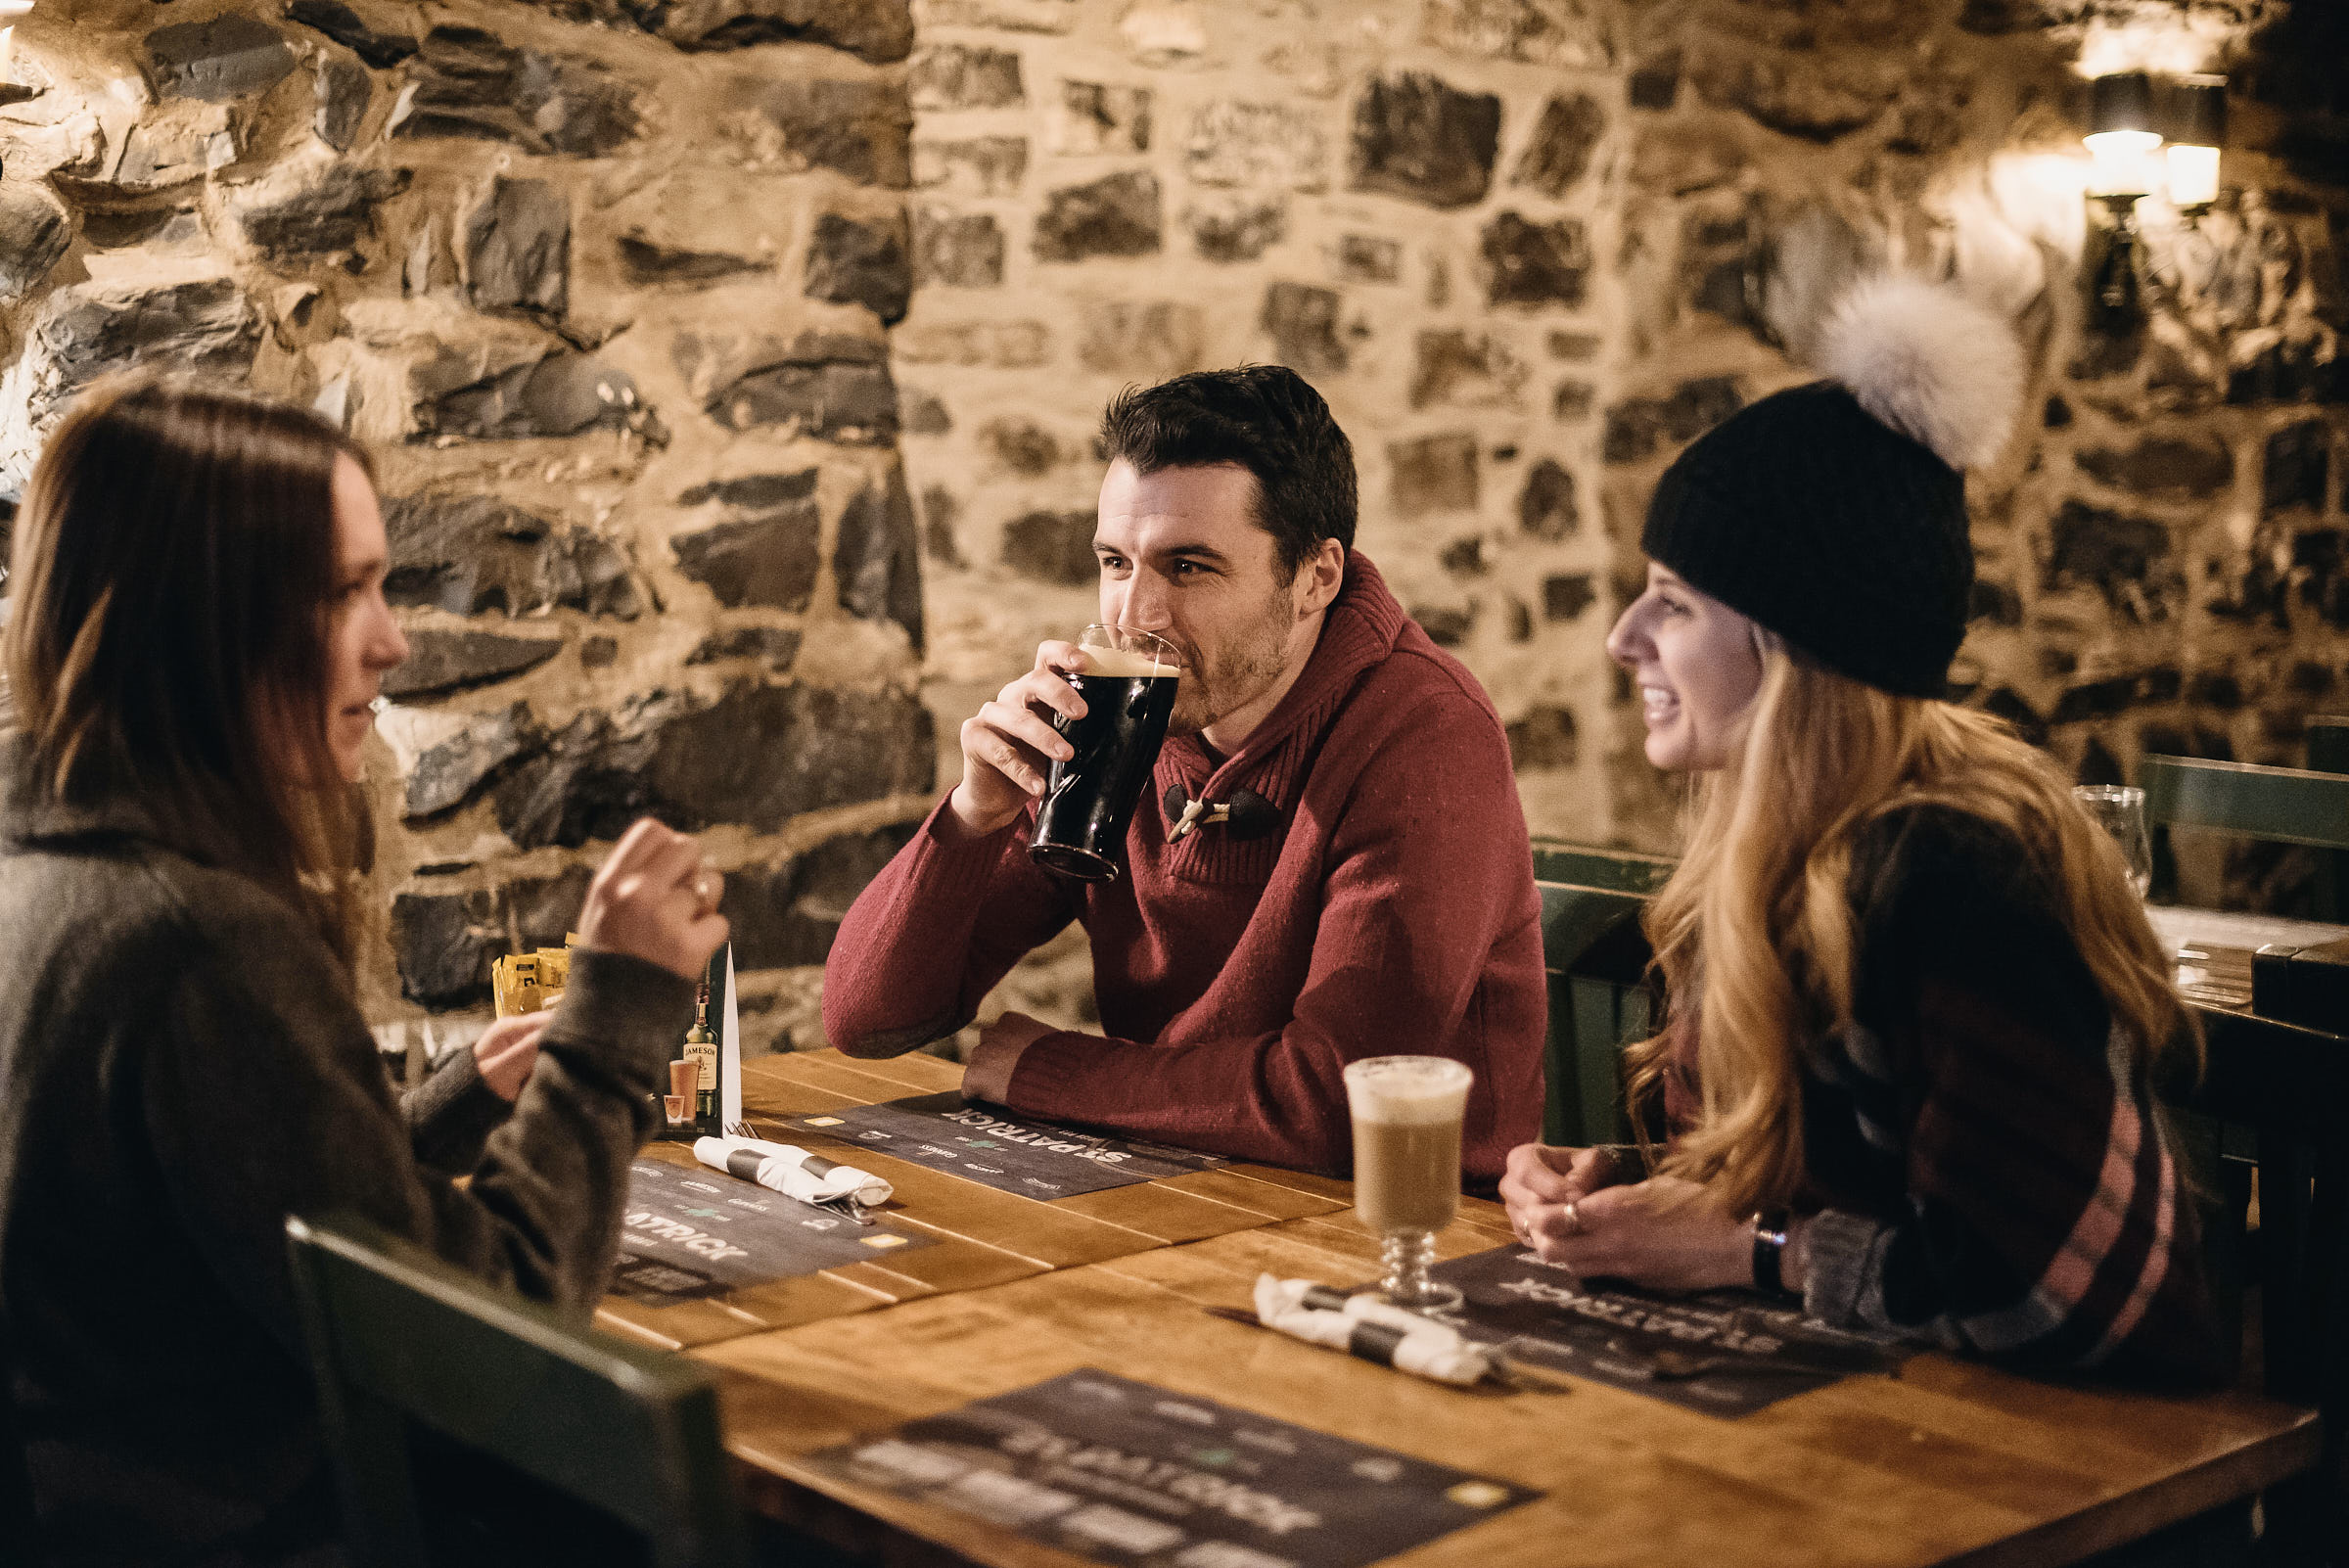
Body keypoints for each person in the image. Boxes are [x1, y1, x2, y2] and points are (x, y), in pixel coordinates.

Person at [0, 375, 729, 1564]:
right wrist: (612, 1026)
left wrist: (443, 1113)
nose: (393, 641)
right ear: (201, 619)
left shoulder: (46, 868)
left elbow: (230, 1207)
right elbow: (494, 1351)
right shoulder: (196, 942)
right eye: (344, 593)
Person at [1498, 276, 2223, 1379]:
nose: (1623, 636)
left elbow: (2057, 1296)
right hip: (1864, 1421)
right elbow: (1837, 1180)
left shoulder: (1955, 871)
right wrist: (1628, 1189)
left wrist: (1753, 1248)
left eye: (1676, 602)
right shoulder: (1774, 855)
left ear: (1798, 652)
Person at [822, 366, 1543, 1181]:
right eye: (1116, 563)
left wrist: (1057, 1073)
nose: (1135, 615)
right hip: (1174, 1187)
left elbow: (1345, 1103)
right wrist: (970, 817)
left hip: (1407, 1227)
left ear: (1317, 577)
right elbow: (866, 1019)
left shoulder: (1424, 733)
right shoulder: (1118, 718)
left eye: (1188, 567)